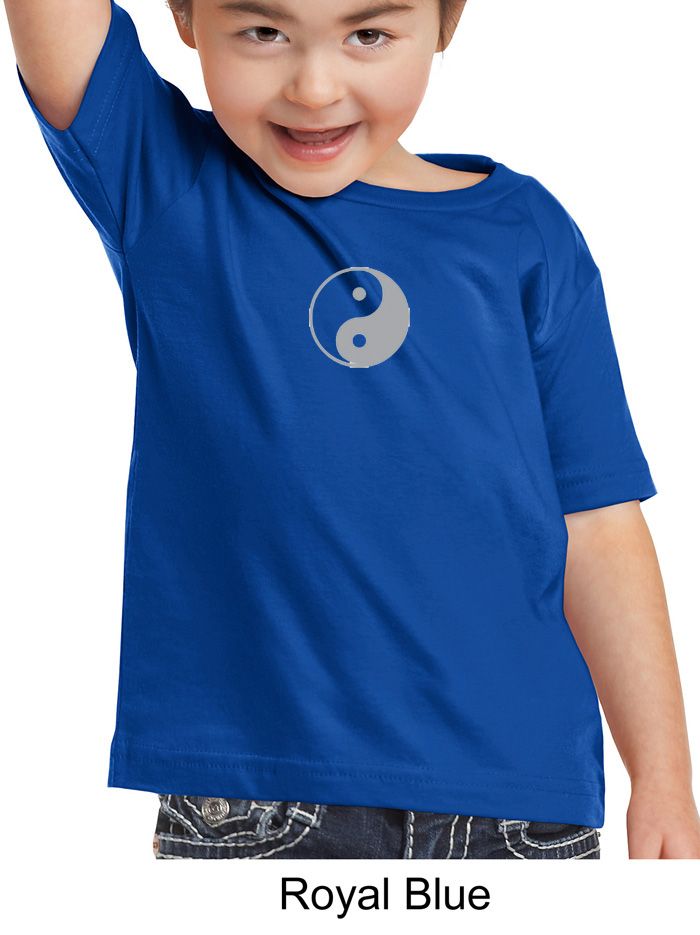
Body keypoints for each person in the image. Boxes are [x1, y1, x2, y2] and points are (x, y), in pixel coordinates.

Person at [5, 0, 699, 860]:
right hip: (265, 801)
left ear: (443, 24)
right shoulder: (169, 184)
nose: (315, 86)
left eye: (368, 34)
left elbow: (597, 523)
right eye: (264, 31)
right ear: (187, 16)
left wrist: (663, 776)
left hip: (521, 808)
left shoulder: (530, 234)